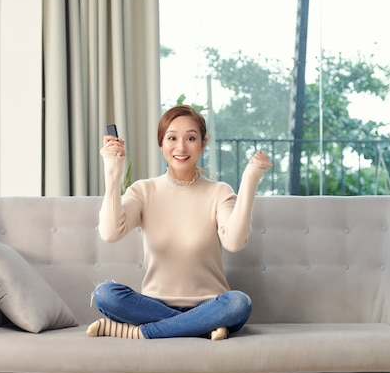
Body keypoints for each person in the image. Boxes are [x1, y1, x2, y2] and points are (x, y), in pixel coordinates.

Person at [87, 104, 271, 340]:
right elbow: (110, 233)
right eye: (172, 138)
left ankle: (142, 333)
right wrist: (113, 172)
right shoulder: (143, 191)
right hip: (152, 306)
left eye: (191, 138)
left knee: (238, 303)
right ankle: (202, 328)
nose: (181, 147)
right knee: (105, 294)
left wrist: (249, 180)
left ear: (203, 144)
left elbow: (235, 242)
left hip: (211, 305)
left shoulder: (219, 192)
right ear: (161, 143)